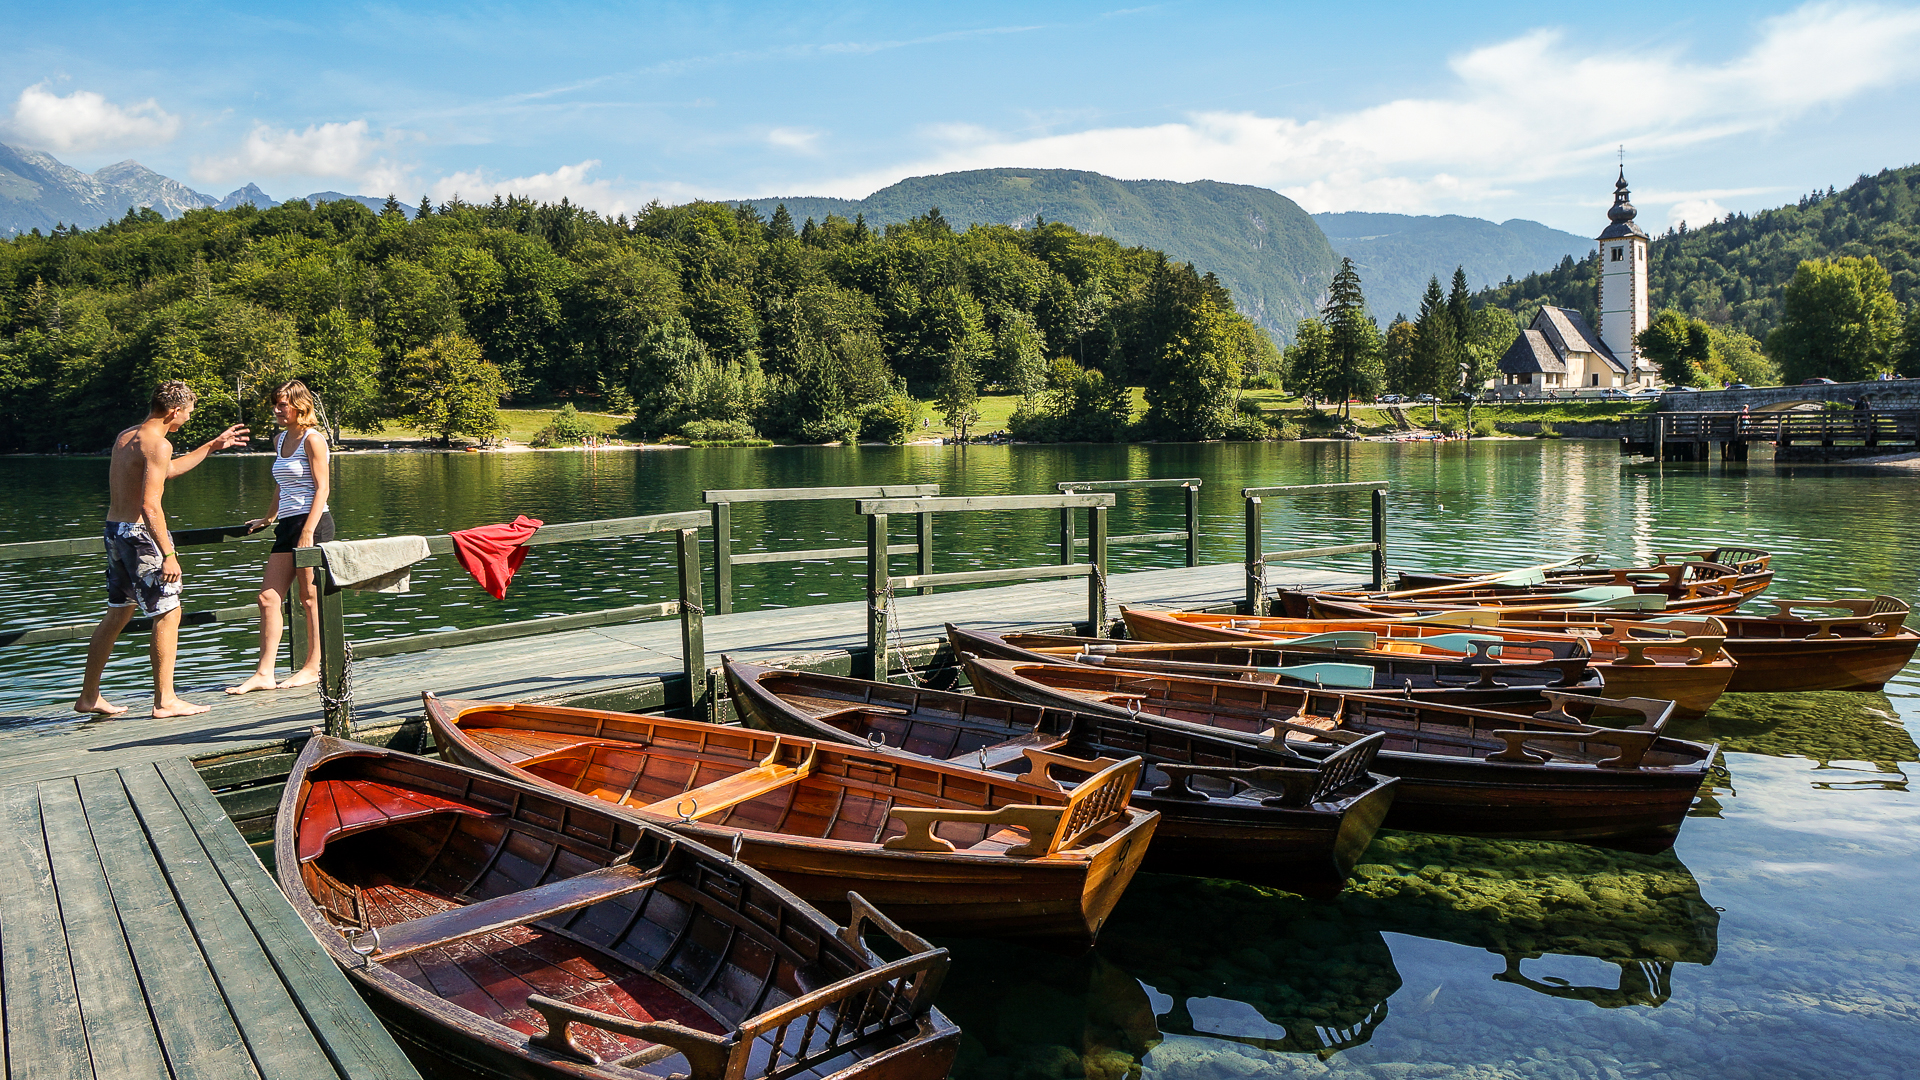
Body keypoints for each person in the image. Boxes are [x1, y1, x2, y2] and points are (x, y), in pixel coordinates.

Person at [73, 381, 249, 718]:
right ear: (173, 411)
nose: (187, 419)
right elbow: (150, 504)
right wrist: (168, 554)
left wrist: (211, 446)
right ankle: (165, 700)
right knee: (168, 612)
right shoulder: (159, 443)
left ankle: (89, 696)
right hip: (139, 536)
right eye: (187, 413)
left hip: (114, 532)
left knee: (117, 613)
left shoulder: (127, 437)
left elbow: (164, 472)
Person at [227, 380, 334, 695]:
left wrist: (309, 532)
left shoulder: (313, 440)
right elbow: (281, 483)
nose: (276, 410)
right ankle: (264, 674)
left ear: (300, 406)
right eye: (275, 404)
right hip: (287, 524)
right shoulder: (280, 439)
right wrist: (269, 516)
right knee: (268, 598)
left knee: (309, 597)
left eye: (281, 405)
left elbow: (322, 488)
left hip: (312, 523)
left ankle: (313, 667)